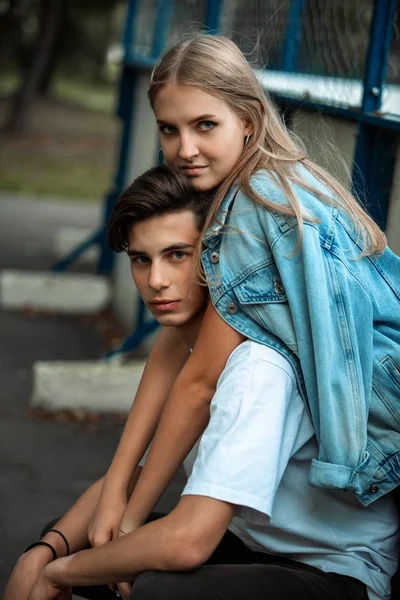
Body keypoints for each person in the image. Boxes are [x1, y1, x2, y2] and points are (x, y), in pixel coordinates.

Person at [87, 34, 400, 595]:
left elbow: (200, 380)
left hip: (382, 438)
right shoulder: (281, 179)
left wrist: (131, 520)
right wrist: (116, 488)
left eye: (205, 125)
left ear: (249, 121)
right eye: (169, 129)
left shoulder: (253, 212)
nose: (184, 149)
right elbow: (173, 353)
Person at [5, 167, 398, 600]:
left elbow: (188, 541)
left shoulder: (256, 365)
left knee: (158, 589)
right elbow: (136, 479)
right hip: (254, 545)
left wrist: (59, 573)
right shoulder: (184, 351)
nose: (156, 281)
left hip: (335, 569)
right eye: (142, 259)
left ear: (217, 256)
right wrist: (46, 551)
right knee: (68, 540)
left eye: (177, 255)